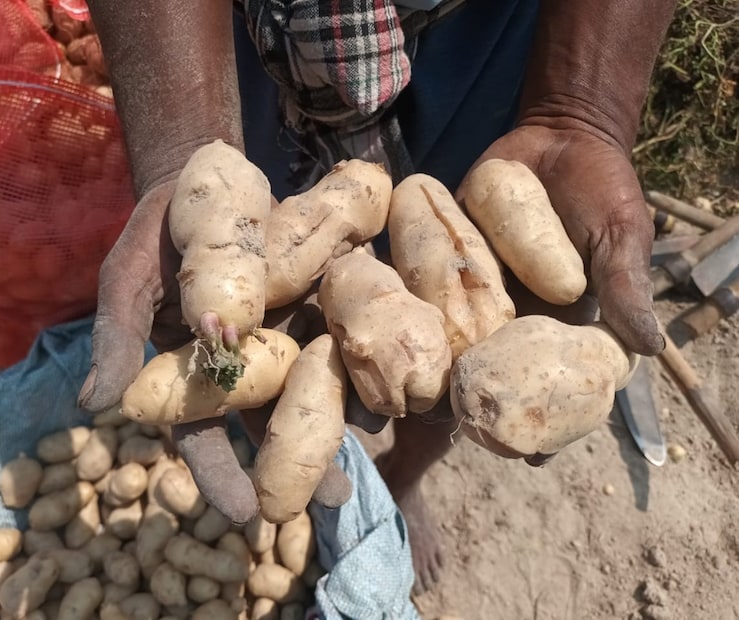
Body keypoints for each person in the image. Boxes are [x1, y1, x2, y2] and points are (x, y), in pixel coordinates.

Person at [76, 0, 675, 595]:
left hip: (472, 30)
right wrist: (182, 141)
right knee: (254, 184)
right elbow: (222, 192)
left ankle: (404, 474)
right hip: (260, 38)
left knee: (443, 390)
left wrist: (578, 114)